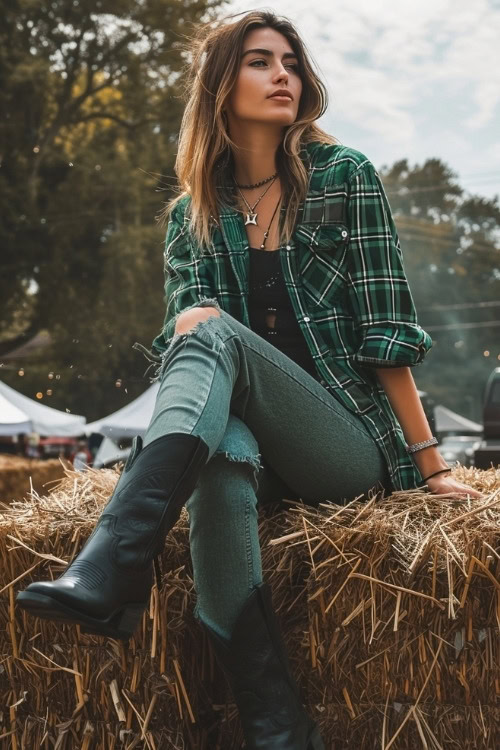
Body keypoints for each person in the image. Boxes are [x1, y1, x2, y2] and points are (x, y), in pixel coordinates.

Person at [17, 10, 482, 749]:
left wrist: (427, 464)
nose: (284, 77)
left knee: (211, 331)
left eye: (292, 63)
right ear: (219, 83)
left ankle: (115, 562)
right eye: (262, 62)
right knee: (221, 466)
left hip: (343, 447)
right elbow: (188, 354)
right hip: (254, 455)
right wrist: (191, 328)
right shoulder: (191, 217)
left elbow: (388, 334)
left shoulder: (344, 177)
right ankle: (275, 721)